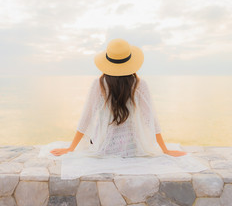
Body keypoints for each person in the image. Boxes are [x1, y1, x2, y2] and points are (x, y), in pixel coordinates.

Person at [50, 38, 187, 158]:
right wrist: (165, 150)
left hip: (103, 147)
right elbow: (150, 119)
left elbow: (86, 117)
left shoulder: (99, 84)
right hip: (132, 148)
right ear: (130, 61)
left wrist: (71, 148)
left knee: (95, 136)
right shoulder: (140, 84)